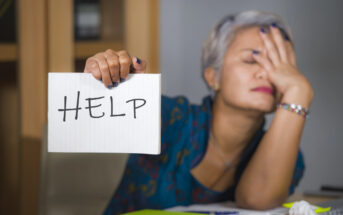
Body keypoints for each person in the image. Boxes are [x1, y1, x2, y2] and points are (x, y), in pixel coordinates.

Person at [83, 10, 313, 214]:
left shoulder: (289, 159)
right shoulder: (172, 118)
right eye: (251, 61)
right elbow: (93, 123)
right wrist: (99, 79)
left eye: (280, 66)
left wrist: (299, 91)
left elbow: (255, 200)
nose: (266, 74)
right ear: (213, 76)